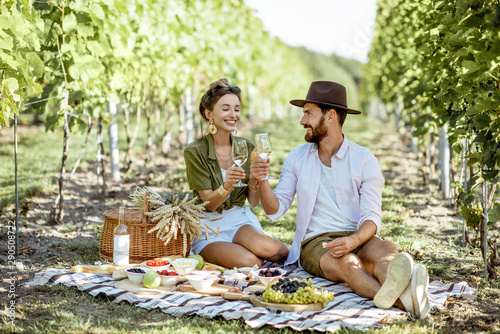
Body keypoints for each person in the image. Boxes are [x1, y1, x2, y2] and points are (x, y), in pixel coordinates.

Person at [250, 81, 430, 318]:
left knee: (387, 250)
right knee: (348, 264)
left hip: (357, 235)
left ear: (331, 116)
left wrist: (354, 239)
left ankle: (401, 293)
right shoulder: (297, 157)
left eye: (308, 113)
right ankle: (406, 302)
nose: (302, 121)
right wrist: (262, 180)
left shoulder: (364, 159)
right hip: (315, 243)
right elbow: (274, 211)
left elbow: (371, 217)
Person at [183, 78, 289, 269]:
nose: (233, 114)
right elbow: (210, 205)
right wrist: (227, 186)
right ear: (209, 114)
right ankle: (235, 251)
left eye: (237, 109)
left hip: (239, 220)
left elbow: (254, 202)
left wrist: (255, 180)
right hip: (209, 227)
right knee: (251, 262)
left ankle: (250, 246)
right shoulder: (194, 151)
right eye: (225, 109)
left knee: (278, 251)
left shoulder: (246, 146)